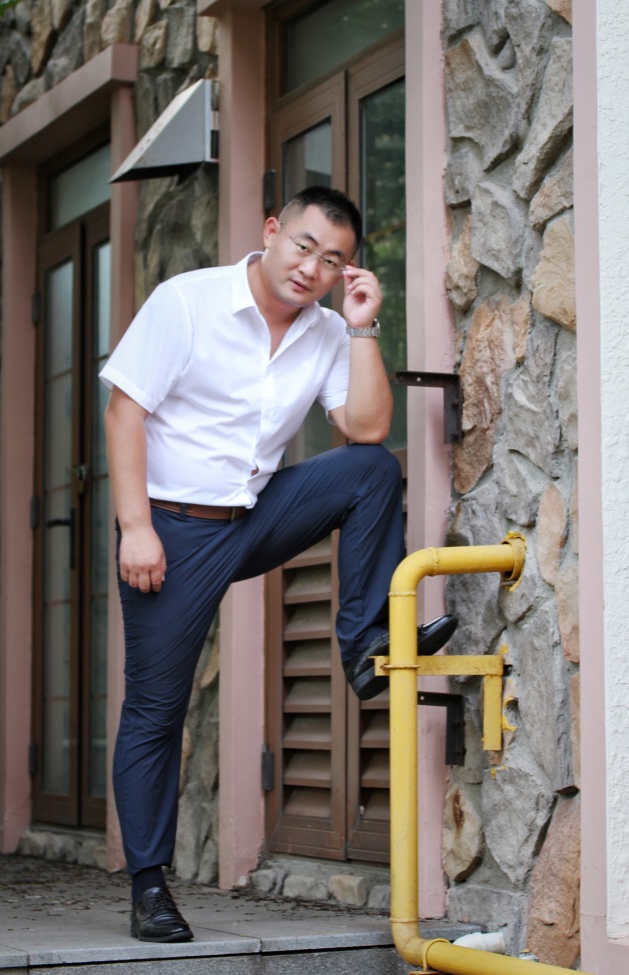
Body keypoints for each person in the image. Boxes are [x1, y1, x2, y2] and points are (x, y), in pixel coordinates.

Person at [100, 186, 457, 944]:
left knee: (369, 471)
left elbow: (367, 426)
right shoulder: (188, 301)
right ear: (271, 231)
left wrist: (363, 328)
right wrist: (135, 528)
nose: (311, 268)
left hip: (254, 514)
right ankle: (149, 886)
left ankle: (365, 644)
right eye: (303, 246)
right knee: (156, 710)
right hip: (173, 528)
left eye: (332, 260)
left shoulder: (327, 330)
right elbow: (124, 412)